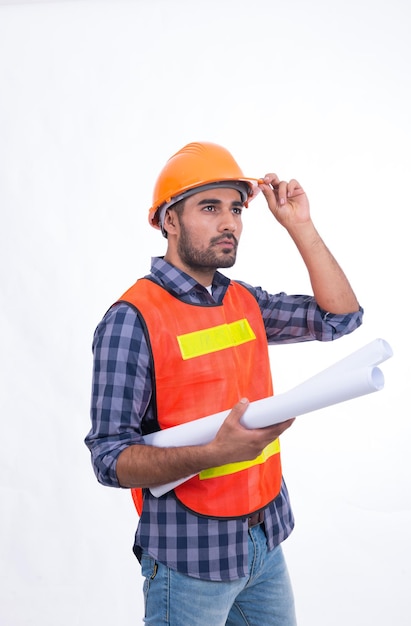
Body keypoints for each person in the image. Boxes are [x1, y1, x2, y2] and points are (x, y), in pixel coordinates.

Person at [85, 141, 363, 625]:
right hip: (190, 561)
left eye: (235, 208)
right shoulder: (132, 320)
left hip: (264, 542)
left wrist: (299, 225)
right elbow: (109, 459)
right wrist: (216, 454)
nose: (229, 222)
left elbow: (342, 318)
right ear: (168, 221)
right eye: (209, 207)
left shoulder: (244, 301)